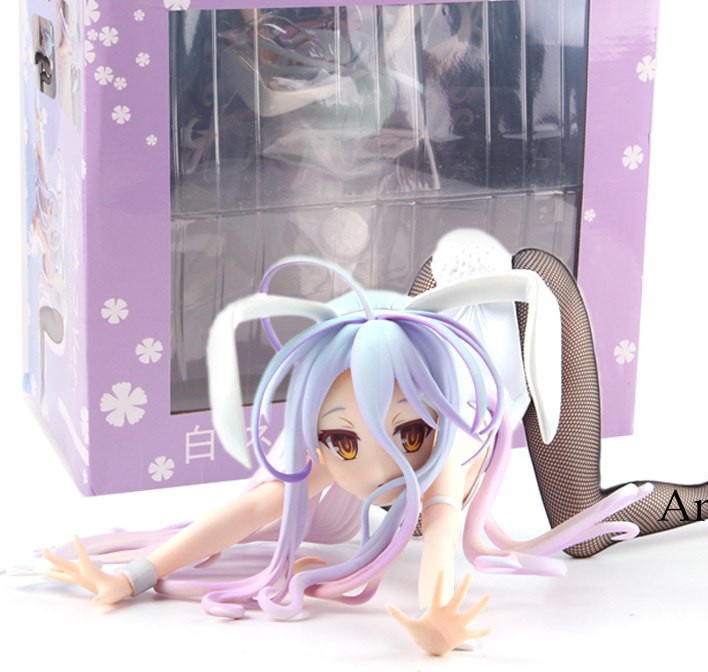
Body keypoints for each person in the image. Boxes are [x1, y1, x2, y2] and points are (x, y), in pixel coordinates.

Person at [44, 253, 650, 656]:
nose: (372, 470)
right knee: (403, 507)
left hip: (527, 316)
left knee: (580, 523)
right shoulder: (327, 450)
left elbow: (443, 545)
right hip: (432, 313)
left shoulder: (444, 451)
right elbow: (251, 510)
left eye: (407, 435)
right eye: (343, 441)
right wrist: (133, 576)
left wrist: (436, 616)